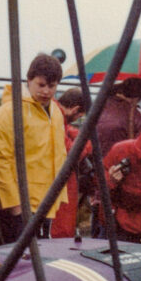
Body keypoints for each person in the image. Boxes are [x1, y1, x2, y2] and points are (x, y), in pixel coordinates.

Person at [0, 53, 67, 241]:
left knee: (42, 257)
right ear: (29, 80)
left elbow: (59, 153)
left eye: (52, 86)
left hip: (48, 200)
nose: (46, 91)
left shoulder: (56, 112)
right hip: (22, 206)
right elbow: (1, 161)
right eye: (41, 85)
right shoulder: (8, 113)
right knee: (22, 262)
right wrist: (15, 206)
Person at [50, 86, 91, 238]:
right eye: (79, 116)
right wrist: (86, 144)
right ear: (75, 109)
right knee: (61, 230)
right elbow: (72, 152)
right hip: (60, 183)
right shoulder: (56, 117)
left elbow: (65, 129)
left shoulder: (54, 112)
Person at [95, 76, 141, 158]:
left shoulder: (98, 107)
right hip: (119, 165)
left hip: (94, 162)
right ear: (136, 98)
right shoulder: (138, 115)